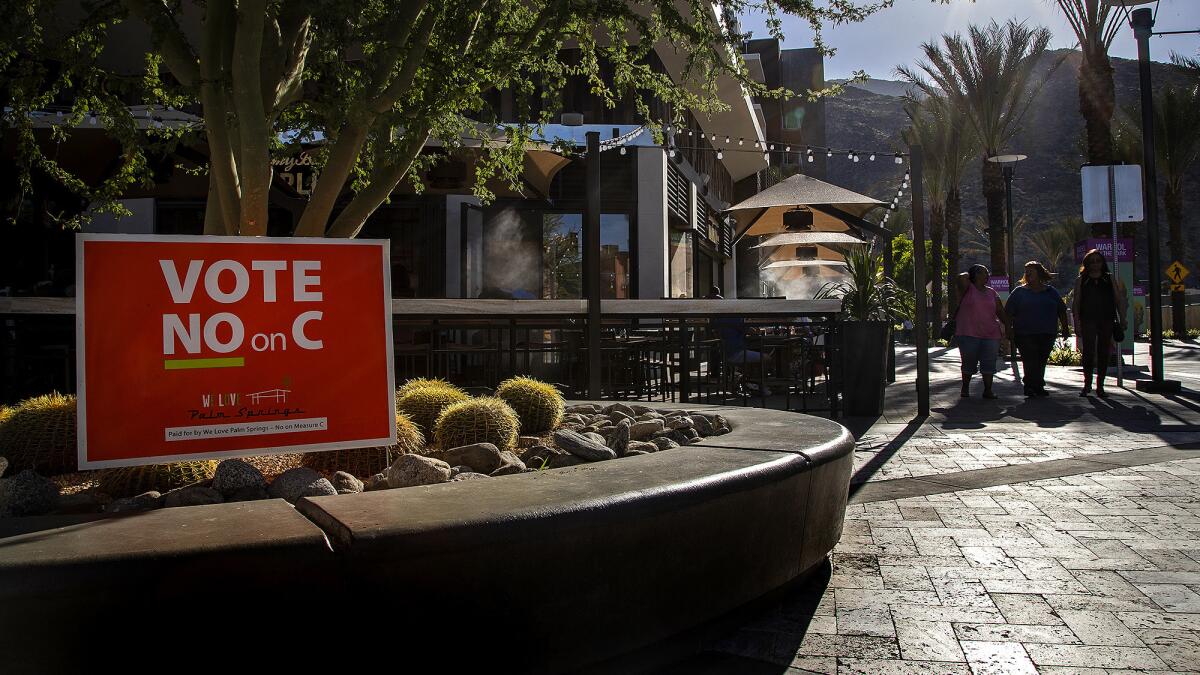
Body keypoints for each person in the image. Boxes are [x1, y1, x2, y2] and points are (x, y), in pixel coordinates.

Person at [1005, 261, 1070, 397]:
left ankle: (1038, 385)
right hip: (1024, 333)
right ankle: (1029, 386)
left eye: (1031, 271)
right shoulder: (1019, 292)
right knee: (1029, 359)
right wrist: (1009, 329)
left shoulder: (1051, 292)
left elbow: (1062, 310)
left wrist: (1065, 328)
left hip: (1047, 332)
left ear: (1039, 273)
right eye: (1026, 271)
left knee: (1041, 360)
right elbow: (1009, 312)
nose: (1028, 274)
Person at [1071, 249, 1127, 397]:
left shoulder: (1109, 278)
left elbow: (1118, 299)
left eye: (1098, 261)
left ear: (1103, 263)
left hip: (1107, 319)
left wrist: (1123, 318)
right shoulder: (1081, 279)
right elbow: (1076, 303)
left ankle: (1100, 386)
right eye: (1092, 261)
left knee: (1104, 352)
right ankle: (1087, 383)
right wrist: (1076, 322)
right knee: (1088, 352)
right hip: (1088, 319)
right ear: (1087, 264)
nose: (1095, 264)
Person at [954, 264, 1011, 399]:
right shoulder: (967, 289)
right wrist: (972, 274)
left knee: (989, 362)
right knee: (968, 361)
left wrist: (1008, 326)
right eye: (984, 273)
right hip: (968, 333)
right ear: (976, 275)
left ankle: (988, 390)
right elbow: (961, 278)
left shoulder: (992, 292)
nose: (987, 275)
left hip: (990, 334)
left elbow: (1000, 312)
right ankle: (965, 387)